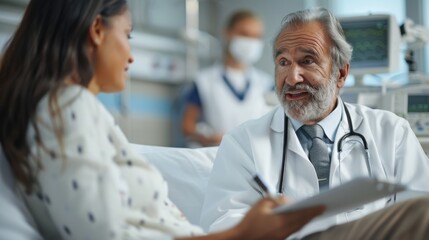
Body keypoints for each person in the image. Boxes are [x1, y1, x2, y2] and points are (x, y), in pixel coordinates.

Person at [0, 1, 325, 239]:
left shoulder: (71, 109)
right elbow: (105, 233)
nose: (131, 55)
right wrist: (242, 233)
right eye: (128, 35)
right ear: (97, 30)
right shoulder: (65, 106)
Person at [200, 7, 429, 239]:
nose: (291, 78)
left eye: (307, 61)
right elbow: (224, 225)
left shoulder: (392, 133)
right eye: (283, 62)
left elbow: (419, 213)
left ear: (341, 74)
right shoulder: (242, 144)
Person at [181, 10, 273, 147]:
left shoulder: (267, 83)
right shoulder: (204, 81)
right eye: (244, 34)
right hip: (216, 156)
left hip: (254, 159)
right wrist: (206, 138)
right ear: (227, 33)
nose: (251, 42)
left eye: (256, 36)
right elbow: (187, 125)